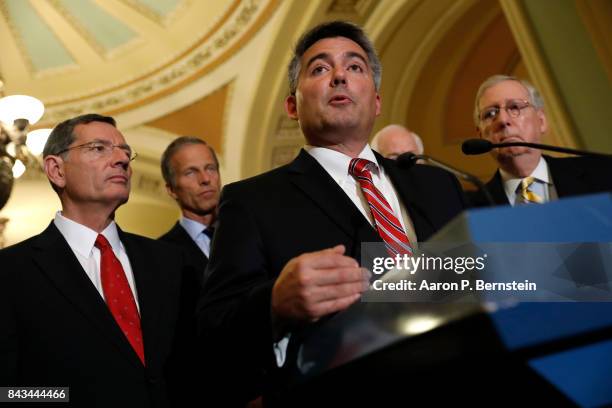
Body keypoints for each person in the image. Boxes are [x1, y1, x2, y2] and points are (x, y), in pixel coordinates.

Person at [197, 21, 467, 403]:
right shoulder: (251, 201)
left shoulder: (440, 186)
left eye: (354, 67)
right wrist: (274, 302)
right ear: (293, 105)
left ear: (376, 100)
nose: (339, 76)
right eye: (320, 69)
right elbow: (214, 329)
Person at [0, 114, 199, 407]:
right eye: (99, 148)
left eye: (125, 151)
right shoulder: (10, 271)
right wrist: (69, 397)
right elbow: (8, 393)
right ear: (56, 170)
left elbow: (194, 368)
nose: (122, 159)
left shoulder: (171, 261)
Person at [469, 75, 612, 207]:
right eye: (490, 113)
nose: (503, 120)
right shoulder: (470, 209)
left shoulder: (603, 173)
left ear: (541, 121)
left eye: (515, 107)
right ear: (481, 135)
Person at [159, 136, 221, 282]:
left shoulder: (247, 232)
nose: (205, 179)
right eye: (190, 172)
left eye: (210, 168)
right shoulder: (161, 253)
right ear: (172, 189)